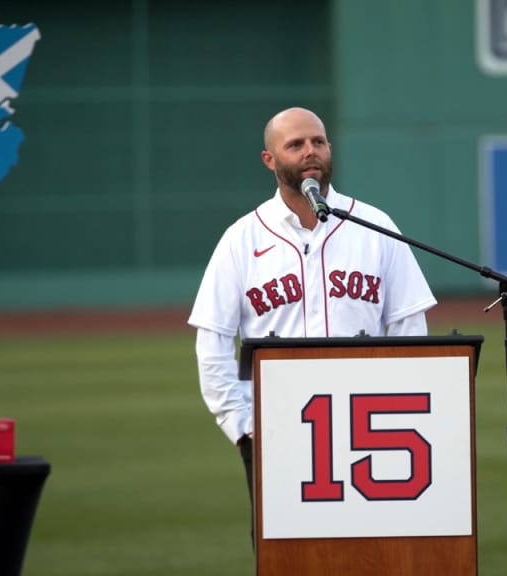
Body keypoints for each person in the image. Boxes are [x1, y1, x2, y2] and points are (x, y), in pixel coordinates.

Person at [186, 107, 437, 544]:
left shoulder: (373, 226)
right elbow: (213, 341)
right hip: (275, 431)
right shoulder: (242, 238)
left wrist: (398, 409)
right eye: (296, 144)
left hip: (372, 428)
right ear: (270, 159)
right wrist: (242, 426)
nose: (310, 152)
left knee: (376, 551)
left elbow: (409, 327)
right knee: (289, 555)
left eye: (318, 141)